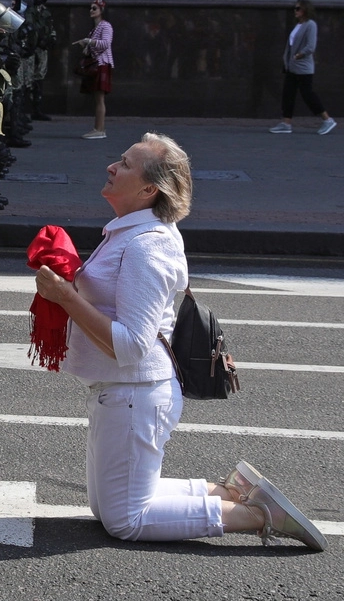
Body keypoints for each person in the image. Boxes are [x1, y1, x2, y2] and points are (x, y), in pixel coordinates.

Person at [33, 133, 325, 549]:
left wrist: (64, 295)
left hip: (136, 391)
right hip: (119, 391)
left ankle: (258, 514)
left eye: (126, 164)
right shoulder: (128, 232)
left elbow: (132, 346)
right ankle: (225, 492)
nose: (112, 167)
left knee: (126, 520)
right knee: (105, 509)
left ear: (149, 189)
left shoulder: (146, 246)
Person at [270, 0, 335, 135]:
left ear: (305, 10)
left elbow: (311, 46)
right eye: (295, 8)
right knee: (288, 94)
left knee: (307, 94)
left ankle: (327, 120)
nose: (295, 11)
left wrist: (299, 55)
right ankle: (286, 123)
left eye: (298, 8)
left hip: (303, 67)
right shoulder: (298, 25)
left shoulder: (310, 24)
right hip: (291, 67)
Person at [76, 0, 113, 140]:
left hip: (102, 64)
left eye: (94, 8)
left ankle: (99, 129)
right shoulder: (96, 28)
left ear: (101, 11)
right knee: (98, 98)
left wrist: (89, 41)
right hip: (98, 63)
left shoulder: (106, 26)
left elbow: (105, 43)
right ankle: (99, 128)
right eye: (91, 8)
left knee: (99, 98)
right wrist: (86, 46)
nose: (91, 11)